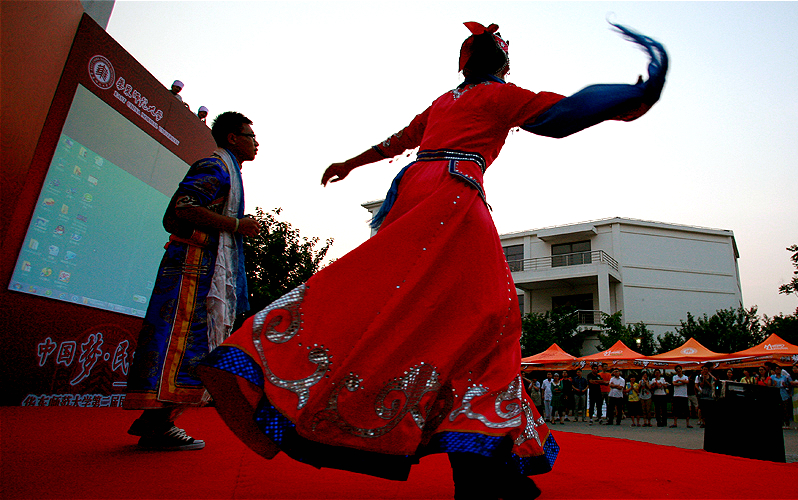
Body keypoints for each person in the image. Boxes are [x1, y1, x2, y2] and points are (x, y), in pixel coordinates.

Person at [195, 21, 666, 496]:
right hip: (451, 197)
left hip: (416, 194)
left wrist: (350, 163)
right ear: (502, 64)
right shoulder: (498, 96)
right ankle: (485, 460)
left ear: (464, 62)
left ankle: (481, 455)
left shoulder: (446, 101)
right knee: (492, 317)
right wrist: (635, 94)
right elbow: (561, 115)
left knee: (407, 307)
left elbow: (397, 141)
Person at [123, 111, 260, 450]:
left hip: (201, 269)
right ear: (232, 138)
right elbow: (182, 210)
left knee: (194, 345)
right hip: (192, 270)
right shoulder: (214, 167)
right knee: (183, 343)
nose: (256, 143)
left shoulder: (227, 171)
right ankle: (157, 422)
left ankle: (158, 420)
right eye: (250, 136)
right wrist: (235, 226)